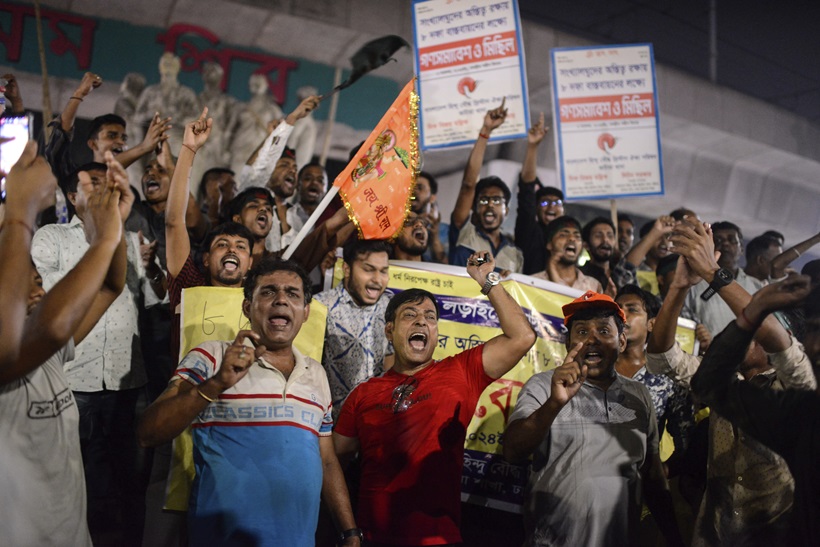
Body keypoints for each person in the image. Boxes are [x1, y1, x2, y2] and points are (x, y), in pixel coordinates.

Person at [138, 257, 361, 546]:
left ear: (305, 313)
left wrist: (349, 531)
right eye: (268, 292)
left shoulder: (315, 373)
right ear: (247, 307)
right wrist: (217, 383)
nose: (281, 300)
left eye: (292, 294)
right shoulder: (212, 357)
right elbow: (147, 433)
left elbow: (328, 461)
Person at [333, 251, 536, 546]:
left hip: (438, 539)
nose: (421, 323)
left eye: (430, 317)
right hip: (373, 539)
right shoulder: (363, 394)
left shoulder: (461, 371)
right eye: (410, 316)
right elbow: (331, 462)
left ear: (437, 332)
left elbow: (522, 337)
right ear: (390, 331)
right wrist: (348, 529)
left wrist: (487, 280)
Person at [646, 220, 815, 545]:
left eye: (750, 329)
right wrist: (680, 287)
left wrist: (712, 271)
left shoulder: (800, 386)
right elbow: (662, 357)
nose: (741, 332)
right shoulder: (726, 384)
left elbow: (772, 333)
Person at [1, 145, 131, 547]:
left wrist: (112, 226)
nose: (37, 287)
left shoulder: (49, 352)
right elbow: (54, 328)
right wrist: (20, 211)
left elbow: (111, 286)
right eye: (27, 279)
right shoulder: (12, 351)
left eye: (39, 279)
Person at [31, 159, 157, 543]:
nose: (106, 191)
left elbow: (147, 297)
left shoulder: (129, 237)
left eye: (110, 184)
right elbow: (49, 295)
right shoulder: (50, 237)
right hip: (75, 379)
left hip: (127, 379)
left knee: (130, 483)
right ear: (72, 196)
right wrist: (103, 245)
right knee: (81, 480)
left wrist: (154, 273)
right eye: (95, 184)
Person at [504, 290, 682, 547]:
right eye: (582, 332)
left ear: (621, 342)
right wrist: (555, 403)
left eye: (604, 331)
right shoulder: (543, 386)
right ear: (568, 343)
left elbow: (652, 475)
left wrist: (675, 538)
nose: (592, 340)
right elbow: (512, 451)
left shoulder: (639, 395)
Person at [691, 275, 820, 545]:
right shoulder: (802, 412)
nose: (817, 346)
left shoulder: (794, 393)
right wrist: (751, 314)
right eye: (814, 331)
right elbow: (709, 383)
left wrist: (716, 274)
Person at [43, 71, 170, 188]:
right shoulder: (74, 178)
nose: (121, 142)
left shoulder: (131, 196)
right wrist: (79, 94)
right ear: (93, 143)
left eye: (124, 138)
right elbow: (60, 140)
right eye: (112, 135)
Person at [315, 239, 393, 418]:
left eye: (383, 271)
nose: (377, 279)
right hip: (331, 425)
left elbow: (391, 359)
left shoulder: (389, 307)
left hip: (375, 424)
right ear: (347, 269)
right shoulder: (320, 307)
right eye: (368, 269)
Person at [236, 95, 320, 252]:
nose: (292, 171)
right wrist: (292, 119)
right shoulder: (253, 200)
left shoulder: (299, 219)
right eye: (284, 165)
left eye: (295, 168)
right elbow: (258, 166)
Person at [449, 101, 524, 273]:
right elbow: (468, 185)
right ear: (474, 209)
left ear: (507, 209)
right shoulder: (464, 233)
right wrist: (486, 131)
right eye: (483, 200)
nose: (490, 205)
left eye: (497, 201)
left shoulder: (515, 253)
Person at [682, 221, 765, 340]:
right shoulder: (694, 284)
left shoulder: (757, 286)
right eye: (718, 241)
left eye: (731, 240)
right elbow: (684, 324)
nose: (725, 244)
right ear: (710, 247)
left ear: (741, 248)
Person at [514, 112, 566, 275]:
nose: (551, 206)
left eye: (557, 203)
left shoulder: (570, 240)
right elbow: (527, 190)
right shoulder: (530, 231)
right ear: (536, 209)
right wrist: (532, 147)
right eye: (544, 203)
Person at [531, 216, 602, 292]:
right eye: (563, 235)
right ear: (549, 244)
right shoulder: (533, 283)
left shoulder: (593, 285)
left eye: (577, 236)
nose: (572, 238)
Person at [580, 216, 637, 293]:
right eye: (598, 236)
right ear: (586, 245)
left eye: (610, 236)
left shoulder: (624, 274)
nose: (605, 240)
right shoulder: (580, 275)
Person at [228, 186, 276, 263]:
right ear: (238, 219)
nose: (263, 209)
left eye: (268, 209)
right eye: (253, 206)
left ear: (271, 223)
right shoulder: (227, 256)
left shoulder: (281, 258)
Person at [410, 170, 447, 263]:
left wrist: (434, 236)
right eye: (411, 186)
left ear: (432, 197)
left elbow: (446, 265)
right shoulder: (397, 226)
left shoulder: (444, 231)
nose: (413, 191)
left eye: (420, 188)